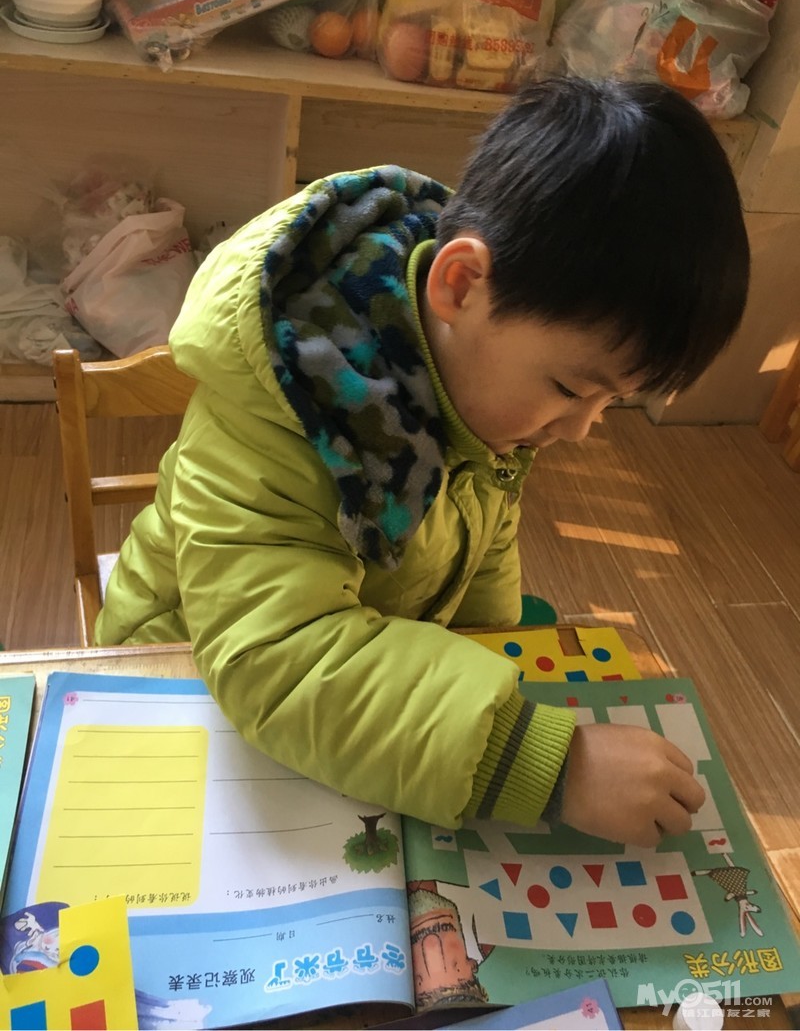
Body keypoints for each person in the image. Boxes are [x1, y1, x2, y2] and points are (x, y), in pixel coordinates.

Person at [95, 77, 748, 848]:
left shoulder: (481, 377)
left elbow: (481, 531)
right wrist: (549, 763)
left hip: (351, 675)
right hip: (181, 676)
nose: (581, 429)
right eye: (573, 389)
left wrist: (495, 648)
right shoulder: (288, 398)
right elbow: (280, 658)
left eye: (612, 402)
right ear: (460, 284)